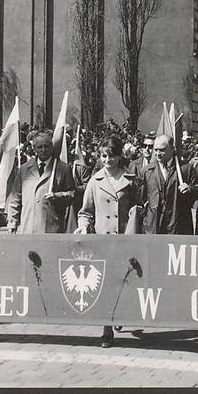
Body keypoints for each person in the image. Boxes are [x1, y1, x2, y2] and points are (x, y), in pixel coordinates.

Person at [76, 135, 141, 348]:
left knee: (123, 281)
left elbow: (139, 207)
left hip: (124, 240)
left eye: (111, 155)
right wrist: (84, 226)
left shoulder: (130, 179)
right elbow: (85, 211)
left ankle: (119, 314)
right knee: (105, 284)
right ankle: (106, 330)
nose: (107, 160)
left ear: (119, 155)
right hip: (103, 240)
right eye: (104, 156)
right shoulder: (95, 181)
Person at [6, 132, 76, 234]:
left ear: (52, 147)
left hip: (51, 228)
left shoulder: (63, 168)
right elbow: (15, 198)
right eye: (40, 147)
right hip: (28, 228)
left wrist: (57, 196)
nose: (43, 150)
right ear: (34, 149)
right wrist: (12, 222)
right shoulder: (24, 169)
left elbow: (73, 193)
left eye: (47, 147)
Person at [140, 135, 198, 235]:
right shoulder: (147, 171)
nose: (158, 154)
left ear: (172, 149)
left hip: (178, 226)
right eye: (156, 150)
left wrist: (190, 189)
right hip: (154, 226)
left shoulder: (185, 169)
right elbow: (142, 197)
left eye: (162, 150)